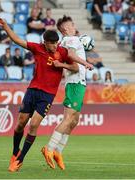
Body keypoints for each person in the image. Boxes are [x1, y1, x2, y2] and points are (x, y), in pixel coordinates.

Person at [0, 16, 93, 172]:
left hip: (47, 96)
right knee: (21, 123)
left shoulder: (62, 51)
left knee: (33, 125)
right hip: (32, 90)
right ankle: (15, 152)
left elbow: (74, 66)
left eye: (55, 43)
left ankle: (19, 160)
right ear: (44, 42)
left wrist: (67, 64)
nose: (54, 46)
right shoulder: (37, 48)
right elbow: (18, 41)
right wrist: (5, 26)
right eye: (51, 43)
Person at [41, 15, 93, 170]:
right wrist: (85, 63)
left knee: (74, 121)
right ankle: (49, 149)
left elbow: (68, 58)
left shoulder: (69, 40)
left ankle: (58, 152)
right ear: (65, 29)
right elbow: (70, 55)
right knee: (68, 119)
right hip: (75, 83)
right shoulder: (71, 39)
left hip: (78, 82)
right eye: (71, 25)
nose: (73, 26)